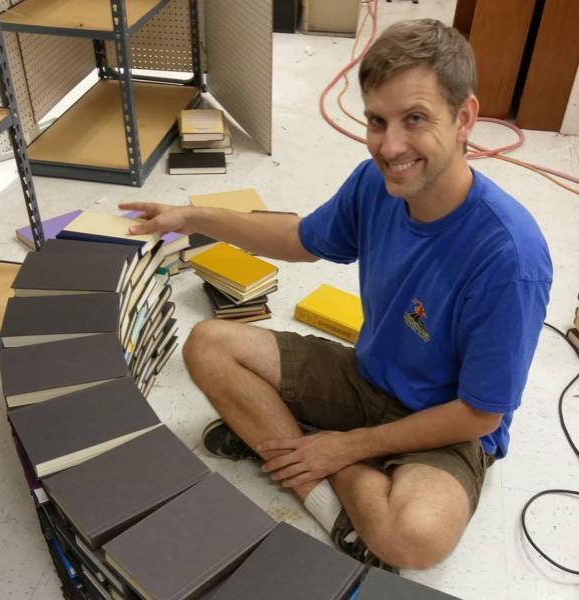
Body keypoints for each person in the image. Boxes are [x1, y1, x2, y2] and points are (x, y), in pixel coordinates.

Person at [120, 19, 552, 571]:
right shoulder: (376, 183)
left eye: (414, 119)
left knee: (415, 538)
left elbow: (479, 415)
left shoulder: (510, 258)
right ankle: (322, 482)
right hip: (367, 379)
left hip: (444, 425)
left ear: (464, 118)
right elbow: (301, 239)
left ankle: (301, 451)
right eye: (377, 120)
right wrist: (195, 215)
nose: (389, 146)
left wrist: (346, 447)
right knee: (208, 344)